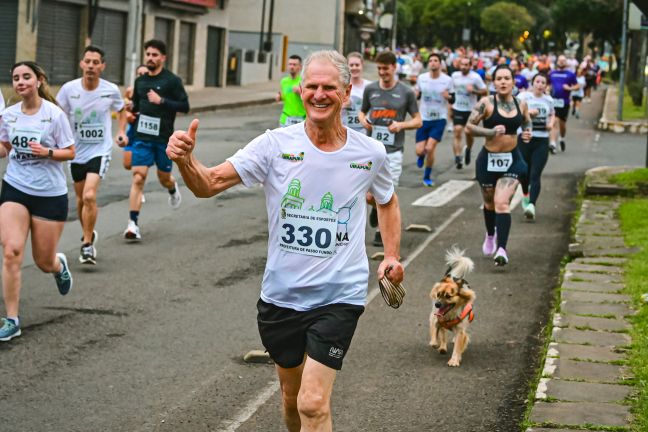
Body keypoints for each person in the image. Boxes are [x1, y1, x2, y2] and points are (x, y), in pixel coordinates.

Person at [166, 49, 404, 432]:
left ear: (346, 94)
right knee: (292, 401)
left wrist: (391, 255)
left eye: (329, 87)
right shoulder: (274, 145)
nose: (319, 94)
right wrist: (185, 162)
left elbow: (388, 202)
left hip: (339, 296)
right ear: (301, 90)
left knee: (313, 403)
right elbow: (208, 184)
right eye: (312, 86)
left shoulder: (369, 153)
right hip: (282, 297)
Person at [0, 62, 75, 341]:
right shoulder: (8, 115)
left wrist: (47, 152)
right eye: (15, 78)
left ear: (39, 80)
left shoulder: (54, 115)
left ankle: (58, 266)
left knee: (42, 260)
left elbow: (70, 152)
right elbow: (4, 148)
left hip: (49, 194)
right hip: (15, 187)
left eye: (26, 77)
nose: (20, 82)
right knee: (11, 251)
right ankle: (12, 319)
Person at [56, 46, 127, 265]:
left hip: (100, 149)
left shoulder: (110, 90)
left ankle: (87, 244)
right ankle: (89, 231)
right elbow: (58, 113)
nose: (91, 66)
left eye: (96, 62)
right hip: (76, 151)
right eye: (87, 61)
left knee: (89, 196)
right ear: (81, 64)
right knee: (79, 200)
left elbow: (122, 109)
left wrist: (121, 131)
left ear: (102, 66)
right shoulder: (69, 89)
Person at [465, 64, 532, 266]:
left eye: (507, 78)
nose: (503, 82)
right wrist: (490, 132)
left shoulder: (521, 104)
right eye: (499, 78)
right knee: (489, 203)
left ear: (513, 82)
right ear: (493, 83)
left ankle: (502, 249)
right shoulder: (486, 103)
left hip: (512, 160)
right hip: (488, 160)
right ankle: (490, 234)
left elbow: (527, 122)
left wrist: (527, 133)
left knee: (502, 203)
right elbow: (469, 127)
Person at [123, 39, 188, 241]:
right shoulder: (140, 81)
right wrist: (131, 111)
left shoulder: (172, 81)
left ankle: (171, 188)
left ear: (163, 58)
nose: (150, 58)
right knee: (138, 177)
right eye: (148, 54)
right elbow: (136, 105)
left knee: (164, 177)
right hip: (142, 137)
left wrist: (162, 101)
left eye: (154, 55)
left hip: (163, 139)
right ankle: (133, 224)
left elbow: (184, 106)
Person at [358, 50, 421, 247]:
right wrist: (364, 122)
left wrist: (401, 125)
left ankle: (380, 232)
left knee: (387, 192)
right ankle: (376, 208)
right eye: (379, 69)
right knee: (368, 195)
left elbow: (418, 120)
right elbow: (362, 112)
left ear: (394, 67)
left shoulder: (406, 92)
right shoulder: (371, 89)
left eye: (385, 68)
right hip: (372, 150)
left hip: (393, 151)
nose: (382, 72)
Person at [518, 73, 555, 221]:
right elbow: (516, 115)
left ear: (546, 86)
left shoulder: (549, 100)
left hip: (541, 140)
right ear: (532, 83)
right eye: (537, 81)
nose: (540, 84)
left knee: (535, 174)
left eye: (543, 82)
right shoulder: (523, 97)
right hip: (525, 138)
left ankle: (532, 205)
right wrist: (528, 114)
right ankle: (526, 195)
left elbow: (553, 114)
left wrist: (551, 124)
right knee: (523, 174)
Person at [414, 53, 454, 186]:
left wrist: (448, 96)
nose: (432, 63)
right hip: (423, 118)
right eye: (430, 60)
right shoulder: (422, 78)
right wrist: (416, 95)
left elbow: (453, 99)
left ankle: (427, 176)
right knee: (420, 150)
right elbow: (418, 95)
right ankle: (420, 155)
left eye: (435, 60)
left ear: (440, 63)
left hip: (439, 119)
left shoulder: (447, 80)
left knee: (430, 148)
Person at [451, 56, 487, 169]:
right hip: (458, 108)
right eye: (462, 64)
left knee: (468, 133)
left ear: (470, 66)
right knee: (457, 131)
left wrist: (474, 91)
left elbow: (485, 90)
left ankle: (468, 149)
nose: (464, 67)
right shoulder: (454, 76)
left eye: (467, 65)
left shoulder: (475, 77)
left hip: (471, 110)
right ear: (459, 65)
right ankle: (457, 157)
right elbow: (450, 89)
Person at [548, 55, 579, 154]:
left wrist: (569, 89)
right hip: (553, 101)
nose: (561, 62)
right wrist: (548, 89)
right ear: (557, 62)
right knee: (554, 121)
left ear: (566, 63)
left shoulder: (570, 74)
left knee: (562, 124)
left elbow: (577, 86)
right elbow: (547, 84)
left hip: (564, 102)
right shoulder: (552, 73)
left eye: (563, 61)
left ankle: (562, 138)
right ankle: (552, 143)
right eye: (560, 60)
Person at [122, 64, 149, 171]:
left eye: (145, 74)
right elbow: (123, 107)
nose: (142, 76)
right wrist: (127, 114)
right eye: (140, 74)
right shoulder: (130, 90)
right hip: (133, 130)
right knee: (127, 164)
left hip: (147, 132)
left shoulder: (155, 91)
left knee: (139, 173)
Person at [342, 52, 371, 133]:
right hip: (345, 132)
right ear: (347, 67)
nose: (354, 68)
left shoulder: (370, 86)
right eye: (351, 65)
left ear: (362, 66)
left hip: (365, 133)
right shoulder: (341, 87)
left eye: (357, 65)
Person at [277, 55, 306, 127]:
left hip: (301, 119)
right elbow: (284, 96)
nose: (292, 66)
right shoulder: (284, 81)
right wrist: (280, 97)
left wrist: (300, 92)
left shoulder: (304, 81)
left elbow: (311, 99)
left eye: (294, 64)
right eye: (290, 64)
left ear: (300, 67)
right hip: (285, 118)